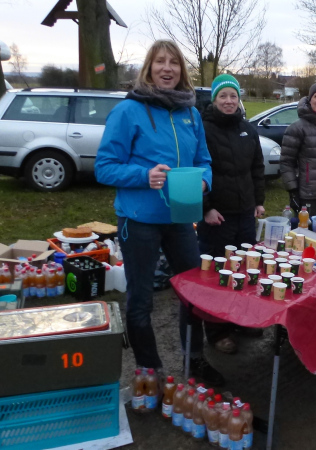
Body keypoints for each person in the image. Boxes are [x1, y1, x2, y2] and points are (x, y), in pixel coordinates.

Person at [95, 40, 224, 385]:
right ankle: (148, 370)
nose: (167, 68)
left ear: (182, 70)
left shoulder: (190, 113)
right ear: (149, 68)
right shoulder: (128, 111)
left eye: (174, 63)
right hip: (138, 220)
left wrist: (204, 182)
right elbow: (104, 167)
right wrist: (144, 176)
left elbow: (204, 160)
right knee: (141, 299)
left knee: (193, 291)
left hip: (180, 218)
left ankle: (194, 360)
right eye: (160, 62)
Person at [196, 74, 265, 354]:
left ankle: (241, 320)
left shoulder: (248, 130)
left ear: (239, 99)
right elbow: (197, 171)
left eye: (233, 96)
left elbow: (257, 168)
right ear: (214, 100)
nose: (228, 101)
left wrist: (258, 201)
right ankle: (217, 331)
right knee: (218, 273)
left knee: (245, 269)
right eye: (223, 96)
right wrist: (206, 208)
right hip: (217, 216)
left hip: (245, 213)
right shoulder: (202, 130)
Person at [280, 82, 316, 217]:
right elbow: (286, 162)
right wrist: (293, 191)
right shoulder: (296, 128)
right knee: (307, 230)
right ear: (309, 99)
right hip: (308, 194)